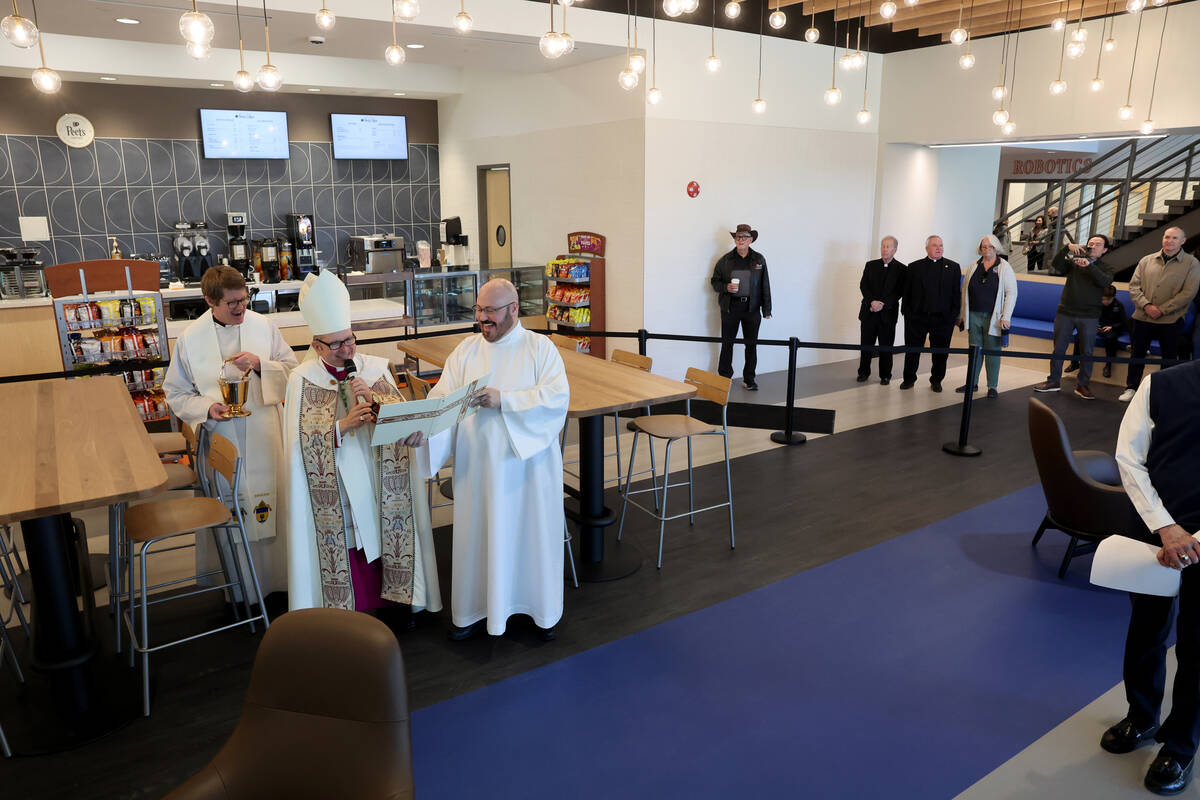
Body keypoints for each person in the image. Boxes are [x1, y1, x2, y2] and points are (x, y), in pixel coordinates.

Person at [412, 279, 569, 642]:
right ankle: (472, 611)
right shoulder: (466, 351)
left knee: (526, 537)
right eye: (479, 311)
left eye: (491, 311)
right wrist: (423, 429)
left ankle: (537, 612)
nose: (483, 319)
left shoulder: (539, 349)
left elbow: (556, 398)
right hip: (478, 469)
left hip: (525, 472)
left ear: (514, 309)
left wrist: (506, 401)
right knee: (479, 537)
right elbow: (442, 399)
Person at [283, 270, 441, 623]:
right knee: (349, 537)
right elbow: (298, 446)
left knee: (386, 529)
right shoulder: (301, 380)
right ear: (317, 346)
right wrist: (341, 426)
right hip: (336, 481)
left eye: (350, 340)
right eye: (336, 345)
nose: (347, 350)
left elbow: (403, 418)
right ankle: (348, 610)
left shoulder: (374, 368)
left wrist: (378, 403)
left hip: (376, 473)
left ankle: (398, 603)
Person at [163, 265, 297, 601]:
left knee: (274, 502)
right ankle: (243, 591)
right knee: (234, 508)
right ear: (210, 300)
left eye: (244, 299)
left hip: (265, 431)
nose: (241, 308)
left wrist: (262, 365)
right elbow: (175, 392)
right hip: (222, 438)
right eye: (232, 303)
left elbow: (293, 372)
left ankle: (281, 581)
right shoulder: (190, 339)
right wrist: (206, 408)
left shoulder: (264, 326)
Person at [1111, 358, 1200, 795]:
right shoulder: (1160, 385)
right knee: (1145, 630)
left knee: (1198, 647)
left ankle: (1181, 746)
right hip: (1152, 535)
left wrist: (1194, 539)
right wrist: (1167, 527)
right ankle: (1141, 716)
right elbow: (1129, 457)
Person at [1030, 234, 1117, 400]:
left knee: (1087, 352)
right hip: (1066, 313)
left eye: (1098, 244)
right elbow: (1056, 265)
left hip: (1090, 316)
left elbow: (1105, 282)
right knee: (1059, 349)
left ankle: (1082, 384)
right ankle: (1053, 381)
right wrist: (1065, 248)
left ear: (1104, 250)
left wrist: (1089, 266)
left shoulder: (1106, 267)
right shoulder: (1074, 262)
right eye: (1090, 243)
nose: (1092, 246)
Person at [1119, 227, 1200, 402]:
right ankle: (1131, 388)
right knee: (1137, 355)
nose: (1169, 241)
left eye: (1174, 238)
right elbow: (1134, 286)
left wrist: (1162, 310)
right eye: (1167, 237)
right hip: (1142, 318)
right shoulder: (1146, 260)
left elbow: (1188, 293)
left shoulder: (1192, 263)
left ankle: (1163, 391)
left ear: (1183, 241)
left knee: (1169, 357)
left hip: (1171, 320)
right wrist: (1146, 305)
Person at [711, 223, 772, 391]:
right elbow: (714, 281)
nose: (741, 240)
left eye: (744, 237)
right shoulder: (725, 260)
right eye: (738, 237)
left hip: (752, 309)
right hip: (731, 308)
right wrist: (726, 287)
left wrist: (767, 310)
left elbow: (765, 284)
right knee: (727, 344)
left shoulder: (759, 259)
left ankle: (749, 379)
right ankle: (724, 379)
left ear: (751, 240)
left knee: (751, 345)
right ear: (735, 239)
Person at [955, 235, 1017, 399]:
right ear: (980, 248)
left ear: (996, 248)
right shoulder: (973, 266)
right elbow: (964, 292)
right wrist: (962, 314)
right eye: (984, 247)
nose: (987, 249)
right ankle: (972, 383)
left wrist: (1006, 316)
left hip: (994, 318)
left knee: (992, 352)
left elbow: (1011, 293)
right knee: (975, 351)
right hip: (973, 314)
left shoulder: (1004, 267)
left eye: (990, 247)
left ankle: (992, 386)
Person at [900, 235, 961, 392]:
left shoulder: (953, 267)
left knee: (940, 353)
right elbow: (906, 292)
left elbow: (956, 294)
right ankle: (909, 379)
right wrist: (907, 313)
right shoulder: (913, 267)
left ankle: (936, 380)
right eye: (935, 245)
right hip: (917, 318)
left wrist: (952, 316)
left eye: (941, 245)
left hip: (942, 320)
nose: (939, 248)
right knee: (912, 350)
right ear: (927, 248)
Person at [856, 236, 907, 385]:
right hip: (869, 312)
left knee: (886, 346)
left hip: (888, 314)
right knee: (866, 345)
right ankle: (863, 372)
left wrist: (882, 304)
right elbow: (863, 286)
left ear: (895, 250)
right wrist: (872, 301)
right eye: (883, 246)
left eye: (888, 246)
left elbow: (899, 291)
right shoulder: (870, 265)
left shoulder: (902, 269)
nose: (884, 249)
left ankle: (885, 375)